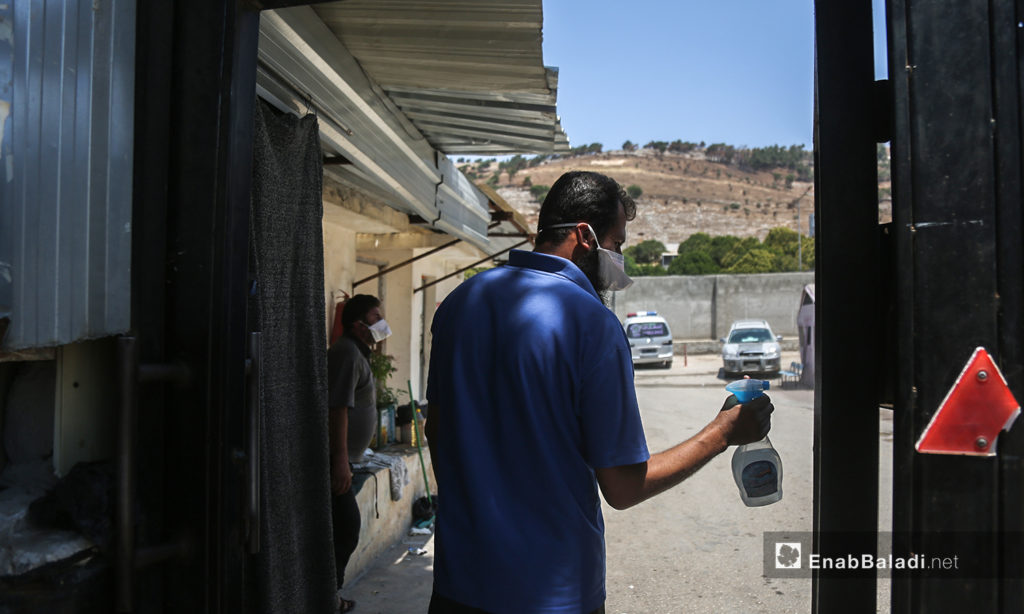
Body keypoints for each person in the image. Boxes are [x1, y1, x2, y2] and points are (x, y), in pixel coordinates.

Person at [424, 171, 773, 614]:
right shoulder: (592, 323)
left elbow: (437, 431)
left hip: (459, 584)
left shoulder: (460, 303)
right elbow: (623, 487)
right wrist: (722, 432)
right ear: (585, 237)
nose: (620, 258)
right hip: (552, 593)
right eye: (619, 243)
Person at [327, 294, 393, 613]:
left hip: (352, 460)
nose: (382, 323)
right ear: (358, 324)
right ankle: (329, 597)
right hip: (339, 463)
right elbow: (337, 408)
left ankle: (329, 594)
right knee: (346, 529)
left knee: (340, 529)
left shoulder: (357, 353)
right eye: (376, 317)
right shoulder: (346, 353)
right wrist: (340, 461)